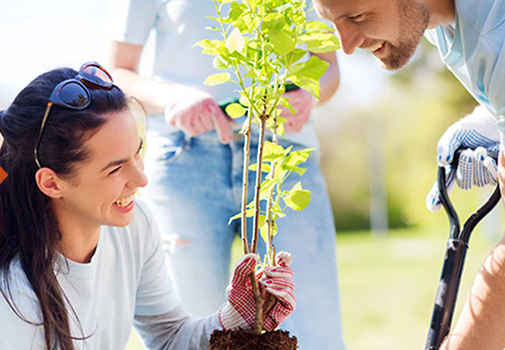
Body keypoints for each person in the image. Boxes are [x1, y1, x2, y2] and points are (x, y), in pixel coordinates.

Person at [0, 63, 297, 350]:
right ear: (52, 183)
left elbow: (170, 337)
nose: (141, 180)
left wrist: (238, 318)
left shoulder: (133, 225)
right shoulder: (14, 300)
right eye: (115, 168)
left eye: (136, 153)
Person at [106, 1, 346, 349]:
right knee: (193, 330)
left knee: (314, 332)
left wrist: (309, 93)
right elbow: (116, 71)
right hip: (185, 158)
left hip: (283, 155)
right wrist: (170, 97)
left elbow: (329, 68)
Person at [310, 0, 505, 348]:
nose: (345, 46)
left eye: (357, 16)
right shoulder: (438, 23)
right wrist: (497, 121)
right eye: (333, 21)